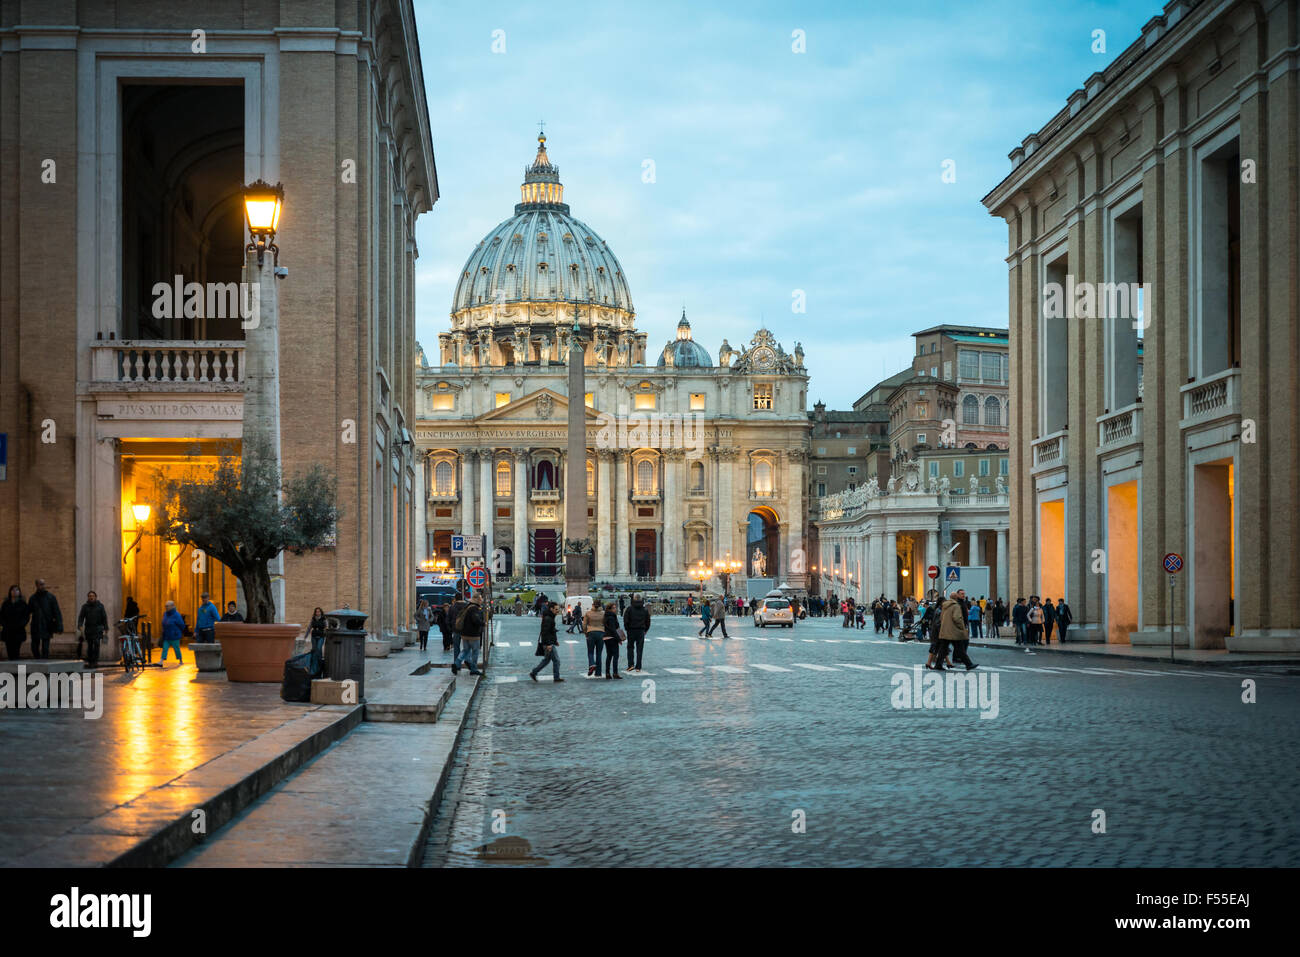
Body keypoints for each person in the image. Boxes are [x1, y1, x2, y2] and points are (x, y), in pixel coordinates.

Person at [933, 588, 976, 671]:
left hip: (945, 630)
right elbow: (957, 618)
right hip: (953, 630)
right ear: (956, 598)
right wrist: (962, 627)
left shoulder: (945, 605)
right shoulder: (956, 606)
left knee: (943, 648)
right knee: (960, 648)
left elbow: (941, 617)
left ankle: (938, 665)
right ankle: (969, 664)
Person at [28, 579, 63, 660]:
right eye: (41, 584)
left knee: (45, 648)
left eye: (43, 584)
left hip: (47, 625)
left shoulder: (51, 597)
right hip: (35, 626)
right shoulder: (32, 598)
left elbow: (57, 612)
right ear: (36, 585)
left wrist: (60, 625)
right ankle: (37, 661)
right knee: (34, 647)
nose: (43, 586)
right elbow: (28, 612)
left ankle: (44, 664)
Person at [530, 601, 564, 682]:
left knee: (546, 660)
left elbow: (550, 631)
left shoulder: (550, 617)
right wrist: (549, 644)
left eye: (558, 609)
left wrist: (555, 641)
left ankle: (534, 672)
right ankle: (556, 677)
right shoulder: (548, 618)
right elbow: (545, 632)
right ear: (551, 609)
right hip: (548, 643)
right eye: (556, 609)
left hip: (549, 642)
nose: (558, 611)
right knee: (556, 660)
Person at [452, 596, 484, 676]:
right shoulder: (474, 609)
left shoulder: (466, 607)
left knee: (465, 650)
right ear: (477, 601)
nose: (481, 601)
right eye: (480, 600)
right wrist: (483, 623)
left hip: (464, 634)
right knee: (475, 652)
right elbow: (475, 620)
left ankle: (456, 663)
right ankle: (473, 669)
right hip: (473, 634)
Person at [77, 590, 109, 668]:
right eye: (90, 596)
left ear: (95, 597)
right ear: (88, 597)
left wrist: (106, 628)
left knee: (97, 644)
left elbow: (104, 617)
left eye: (92, 596)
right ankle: (90, 661)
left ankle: (95, 661)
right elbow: (81, 617)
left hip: (98, 628)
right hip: (89, 629)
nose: (91, 597)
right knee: (90, 646)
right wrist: (80, 625)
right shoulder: (85, 606)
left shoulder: (100, 606)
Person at [623, 593, 651, 673]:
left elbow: (626, 620)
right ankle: (638, 667)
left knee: (630, 648)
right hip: (641, 630)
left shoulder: (629, 609)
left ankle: (630, 665)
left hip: (631, 630)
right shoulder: (645, 610)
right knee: (640, 649)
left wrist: (627, 629)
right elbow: (648, 621)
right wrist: (645, 630)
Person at [1, 585, 30, 661]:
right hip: (7, 631)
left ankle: (16, 670)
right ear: (10, 592)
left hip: (18, 631)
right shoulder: (5, 604)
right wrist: (4, 625)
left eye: (17, 590)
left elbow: (26, 617)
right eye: (13, 590)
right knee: (9, 651)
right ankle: (11, 670)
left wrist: (21, 625)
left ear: (19, 592)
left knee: (16, 651)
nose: (14, 592)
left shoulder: (23, 604)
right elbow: (1, 616)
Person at [583, 600, 606, 676]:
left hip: (591, 632)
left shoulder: (588, 613)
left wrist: (586, 633)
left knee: (590, 652)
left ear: (592, 605)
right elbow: (606, 624)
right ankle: (598, 672)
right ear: (600, 605)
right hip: (601, 633)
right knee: (599, 653)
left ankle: (592, 664)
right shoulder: (603, 613)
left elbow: (584, 625)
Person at [160, 599, 185, 664]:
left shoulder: (177, 615)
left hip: (174, 635)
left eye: (167, 606)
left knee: (176, 649)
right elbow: (163, 622)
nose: (166, 607)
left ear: (172, 606)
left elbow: (182, 625)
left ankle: (180, 660)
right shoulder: (165, 614)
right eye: (165, 606)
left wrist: (177, 632)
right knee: (165, 648)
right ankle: (161, 660)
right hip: (167, 635)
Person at [602, 602, 623, 679]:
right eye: (614, 608)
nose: (615, 609)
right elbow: (613, 630)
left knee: (609, 656)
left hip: (606, 637)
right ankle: (615, 673)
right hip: (612, 637)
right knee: (615, 656)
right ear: (610, 609)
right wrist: (619, 639)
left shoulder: (606, 616)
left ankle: (607, 673)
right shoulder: (611, 617)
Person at [448, 592, 470, 663]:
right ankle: (467, 661)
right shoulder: (467, 606)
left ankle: (457, 663)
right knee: (466, 648)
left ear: (455, 598)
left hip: (456, 629)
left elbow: (448, 619)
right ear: (462, 598)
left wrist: (450, 628)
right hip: (466, 630)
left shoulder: (452, 607)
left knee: (456, 647)